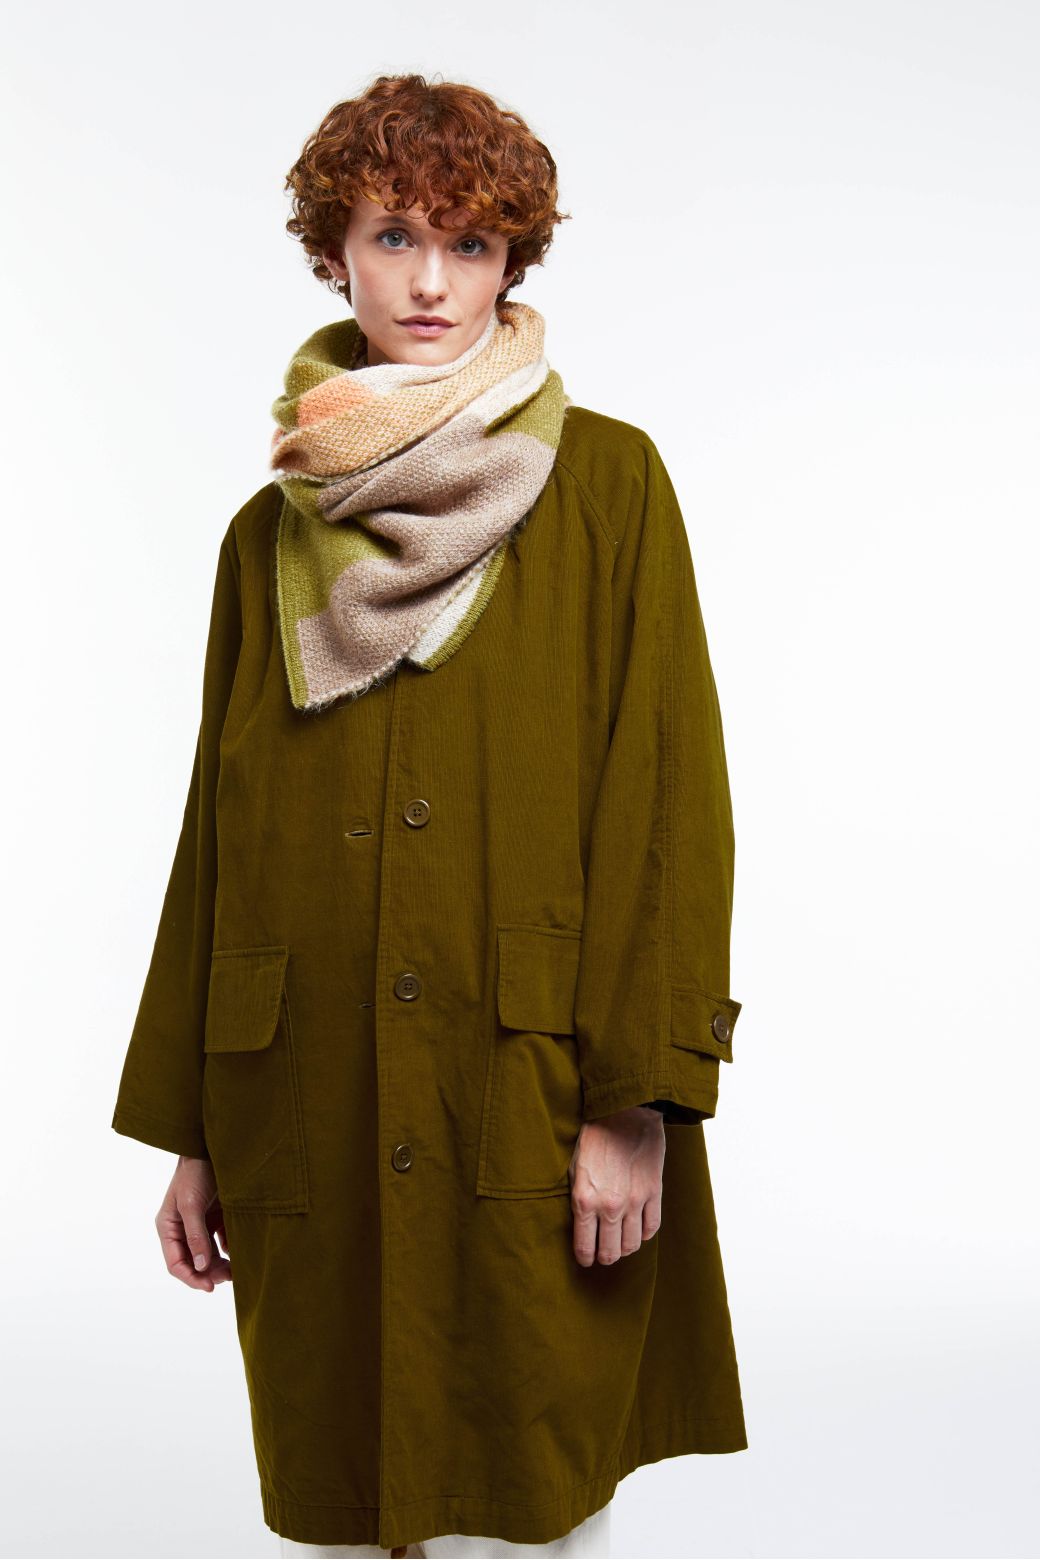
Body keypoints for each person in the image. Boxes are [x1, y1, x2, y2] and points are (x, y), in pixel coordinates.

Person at [111, 72, 747, 1559]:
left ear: (513, 262)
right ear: (335, 251)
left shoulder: (606, 485)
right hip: (306, 1089)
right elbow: (220, 830)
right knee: (340, 1486)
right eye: (396, 235)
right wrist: (193, 1128)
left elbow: (666, 802)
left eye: (471, 244)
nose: (431, 281)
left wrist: (637, 1102)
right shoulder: (269, 534)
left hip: (525, 1076)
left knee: (528, 1489)